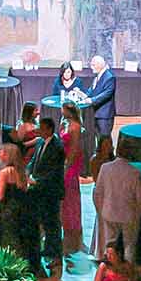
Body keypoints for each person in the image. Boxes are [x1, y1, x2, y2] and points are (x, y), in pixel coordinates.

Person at [27, 116, 66, 276]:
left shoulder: (57, 147)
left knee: (53, 225)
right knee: (45, 222)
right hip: (40, 193)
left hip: (50, 193)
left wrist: (35, 181)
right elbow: (34, 162)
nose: (38, 130)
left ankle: (56, 256)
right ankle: (48, 251)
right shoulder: (41, 142)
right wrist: (27, 172)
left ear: (49, 129)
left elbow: (53, 173)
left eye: (41, 128)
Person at [93, 145, 141, 263]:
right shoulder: (134, 172)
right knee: (129, 246)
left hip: (109, 213)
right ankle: (127, 272)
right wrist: (138, 216)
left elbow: (98, 192)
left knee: (109, 244)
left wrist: (101, 210)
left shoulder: (105, 168)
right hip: (127, 215)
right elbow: (140, 198)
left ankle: (109, 272)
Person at [60, 101, 86, 257]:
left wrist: (67, 165)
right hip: (64, 158)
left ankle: (72, 225)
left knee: (71, 191)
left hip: (71, 162)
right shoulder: (65, 123)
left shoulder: (75, 127)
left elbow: (74, 149)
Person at [84, 55, 116, 139]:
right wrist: (83, 95)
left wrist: (91, 100)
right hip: (96, 113)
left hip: (104, 115)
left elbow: (107, 94)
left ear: (100, 65)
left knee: (105, 140)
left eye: (93, 65)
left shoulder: (109, 77)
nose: (91, 67)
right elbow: (92, 89)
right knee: (97, 138)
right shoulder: (97, 75)